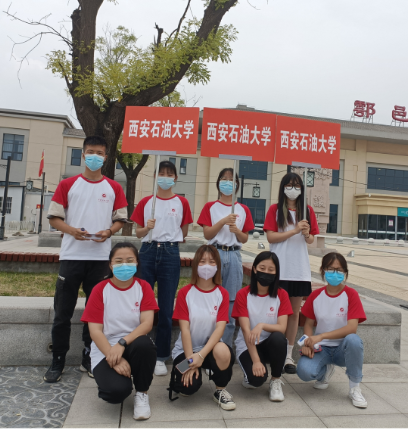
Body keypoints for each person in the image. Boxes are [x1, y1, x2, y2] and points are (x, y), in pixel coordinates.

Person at [45, 135, 128, 383]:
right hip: (71, 257)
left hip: (100, 260)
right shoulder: (67, 184)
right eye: (90, 152)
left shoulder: (114, 188)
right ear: (83, 155)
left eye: (100, 153)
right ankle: (57, 360)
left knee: (96, 315)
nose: (95, 156)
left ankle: (89, 358)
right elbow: (54, 218)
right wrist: (72, 231)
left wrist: (108, 232)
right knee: (62, 313)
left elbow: (120, 220)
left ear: (106, 157)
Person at [81, 243, 159, 420]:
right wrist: (113, 357)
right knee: (115, 392)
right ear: (110, 265)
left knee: (145, 344)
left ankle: (142, 393)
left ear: (137, 263)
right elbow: (95, 331)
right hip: (105, 348)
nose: (124, 265)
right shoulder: (100, 289)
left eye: (130, 260)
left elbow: (147, 324)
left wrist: (122, 344)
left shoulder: (143, 287)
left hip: (133, 344)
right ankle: (118, 378)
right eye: (119, 261)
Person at [131, 160, 193, 377]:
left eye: (170, 174)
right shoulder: (146, 202)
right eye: (162, 173)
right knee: (143, 304)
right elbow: (137, 233)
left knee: (166, 308)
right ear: (155, 176)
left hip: (170, 253)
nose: (165, 177)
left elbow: (184, 232)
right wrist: (147, 228)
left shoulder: (181, 202)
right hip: (147, 251)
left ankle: (161, 356)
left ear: (175, 178)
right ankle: (141, 351)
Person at [168, 245, 237, 411]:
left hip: (208, 350)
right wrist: (191, 361)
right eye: (202, 261)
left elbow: (220, 329)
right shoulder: (185, 292)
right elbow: (185, 330)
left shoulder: (222, 293)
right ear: (195, 265)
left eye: (212, 262)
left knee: (224, 351)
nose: (207, 266)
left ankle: (220, 390)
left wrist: (200, 356)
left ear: (217, 266)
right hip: (186, 351)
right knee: (187, 387)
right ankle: (180, 377)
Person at [263, 172, 319, 374]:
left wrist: (306, 233)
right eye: (289, 185)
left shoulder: (307, 211)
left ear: (302, 189)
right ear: (283, 188)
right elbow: (271, 237)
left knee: (294, 313)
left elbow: (311, 240)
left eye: (297, 185)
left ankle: (287, 354)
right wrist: (294, 230)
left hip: (298, 269)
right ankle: (270, 350)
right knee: (274, 311)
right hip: (279, 268)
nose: (293, 189)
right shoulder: (275, 210)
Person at [296, 253, 368, 408]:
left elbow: (352, 328)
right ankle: (324, 373)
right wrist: (308, 342)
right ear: (323, 270)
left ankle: (355, 387)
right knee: (304, 372)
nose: (335, 273)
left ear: (345, 272)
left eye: (339, 270)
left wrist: (321, 336)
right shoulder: (316, 296)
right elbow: (308, 323)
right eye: (330, 269)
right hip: (321, 348)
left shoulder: (351, 294)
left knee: (354, 340)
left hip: (343, 349)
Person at [197, 168, 255, 345]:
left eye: (231, 179)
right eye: (224, 179)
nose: (227, 182)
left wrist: (236, 230)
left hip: (234, 254)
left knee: (231, 300)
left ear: (236, 184)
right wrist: (222, 222)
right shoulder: (210, 207)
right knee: (211, 295)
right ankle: (206, 344)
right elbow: (207, 234)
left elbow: (244, 238)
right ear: (218, 182)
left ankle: (225, 347)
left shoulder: (243, 209)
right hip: (214, 254)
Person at [232, 251, 292, 402]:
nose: (266, 272)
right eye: (262, 268)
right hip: (248, 344)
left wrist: (262, 325)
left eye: (271, 270)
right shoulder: (243, 294)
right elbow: (246, 330)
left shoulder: (282, 295)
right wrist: (256, 361)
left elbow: (282, 327)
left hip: (269, 344)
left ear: (276, 273)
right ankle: (252, 371)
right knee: (256, 381)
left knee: (279, 338)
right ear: (254, 269)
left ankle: (276, 380)